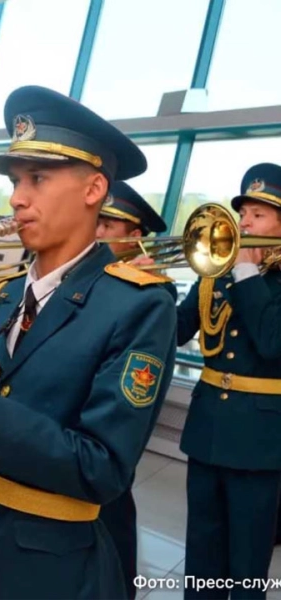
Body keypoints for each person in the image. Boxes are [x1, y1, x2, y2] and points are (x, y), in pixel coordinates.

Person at [0, 85, 177, 599]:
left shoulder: (139, 304)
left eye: (38, 179)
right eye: (16, 180)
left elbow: (102, 468)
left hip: (56, 568)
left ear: (94, 190)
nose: (17, 197)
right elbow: (10, 416)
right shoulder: (5, 296)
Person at [175, 163, 281, 600]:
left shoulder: (247, 277)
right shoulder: (214, 273)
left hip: (261, 439)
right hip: (207, 428)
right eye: (243, 213)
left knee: (247, 556)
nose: (245, 222)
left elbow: (273, 343)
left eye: (258, 213)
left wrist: (247, 276)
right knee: (202, 546)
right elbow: (177, 330)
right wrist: (143, 287)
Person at [92, 180, 169, 598]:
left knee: (111, 504)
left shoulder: (150, 289)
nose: (99, 232)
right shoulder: (93, 274)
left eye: (110, 225)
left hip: (112, 419)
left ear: (135, 236)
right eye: (99, 222)